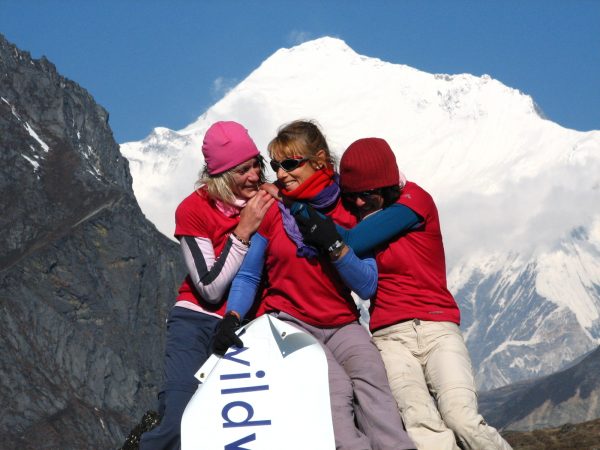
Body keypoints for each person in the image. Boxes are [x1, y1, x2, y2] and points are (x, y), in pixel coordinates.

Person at [295, 137, 512, 450]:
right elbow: (341, 232)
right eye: (352, 196)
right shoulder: (367, 214)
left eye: (366, 194)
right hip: (390, 336)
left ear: (385, 185)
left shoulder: (415, 200)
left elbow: (352, 241)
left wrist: (307, 215)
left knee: (462, 419)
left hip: (438, 329)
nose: (358, 203)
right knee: (422, 429)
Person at [213, 120, 415, 450]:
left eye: (291, 164)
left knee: (374, 382)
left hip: (342, 323)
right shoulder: (273, 211)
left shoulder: (351, 210)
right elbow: (249, 275)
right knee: (334, 388)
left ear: (319, 160)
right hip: (289, 322)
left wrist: (334, 245)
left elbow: (366, 284)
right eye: (276, 165)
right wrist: (233, 317)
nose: (280, 174)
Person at [140, 121, 275, 450]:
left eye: (257, 164)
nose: (255, 176)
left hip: (253, 323)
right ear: (223, 175)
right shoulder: (194, 209)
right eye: (244, 169)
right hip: (197, 321)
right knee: (180, 419)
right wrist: (242, 233)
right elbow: (209, 288)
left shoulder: (272, 200)